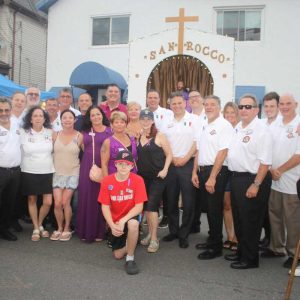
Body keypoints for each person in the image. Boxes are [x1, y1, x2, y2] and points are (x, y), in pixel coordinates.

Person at [226, 94, 272, 269]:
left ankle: (250, 259)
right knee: (239, 219)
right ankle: (241, 252)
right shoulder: (239, 126)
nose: (243, 110)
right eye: (241, 107)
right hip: (237, 177)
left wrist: (256, 184)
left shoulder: (262, 130)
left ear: (256, 109)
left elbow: (265, 161)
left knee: (250, 221)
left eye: (248, 107)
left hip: (253, 179)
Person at [261, 93, 300, 270]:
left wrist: (280, 170)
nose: (284, 107)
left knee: (292, 219)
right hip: (274, 179)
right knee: (274, 214)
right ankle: (276, 248)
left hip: (292, 180)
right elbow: (267, 148)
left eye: (288, 103)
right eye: (282, 104)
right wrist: (271, 170)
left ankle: (295, 254)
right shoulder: (275, 124)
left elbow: (298, 155)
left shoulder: (298, 124)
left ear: (295, 104)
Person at [192, 96, 233, 260]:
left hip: (216, 171)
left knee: (215, 209)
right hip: (203, 170)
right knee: (208, 208)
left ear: (219, 107)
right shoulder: (204, 125)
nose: (209, 107)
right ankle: (212, 239)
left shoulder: (224, 125)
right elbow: (198, 151)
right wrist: (195, 172)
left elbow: (223, 152)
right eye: (206, 105)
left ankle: (216, 247)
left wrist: (212, 177)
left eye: (212, 105)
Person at [98, 150, 148, 275]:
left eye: (127, 164)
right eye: (120, 163)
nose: (123, 167)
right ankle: (131, 243)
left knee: (133, 224)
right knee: (117, 255)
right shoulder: (107, 181)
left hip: (129, 217)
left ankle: (130, 258)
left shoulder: (138, 180)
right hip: (115, 220)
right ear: (115, 164)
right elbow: (105, 206)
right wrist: (112, 224)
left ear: (132, 166)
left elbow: (139, 207)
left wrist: (123, 221)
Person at [162, 91, 199, 248]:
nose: (177, 106)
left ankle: (184, 234)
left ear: (185, 103)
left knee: (189, 201)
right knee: (170, 200)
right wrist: (172, 157)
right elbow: (163, 142)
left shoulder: (195, 120)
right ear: (170, 105)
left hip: (188, 163)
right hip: (171, 164)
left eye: (179, 103)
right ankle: (173, 231)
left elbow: (197, 142)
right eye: (173, 103)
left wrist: (184, 158)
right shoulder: (166, 121)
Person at [137, 109, 172, 253]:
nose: (145, 121)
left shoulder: (160, 135)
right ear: (140, 120)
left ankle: (154, 239)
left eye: (148, 119)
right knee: (147, 208)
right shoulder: (138, 136)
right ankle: (150, 233)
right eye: (143, 118)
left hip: (158, 177)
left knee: (151, 207)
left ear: (152, 121)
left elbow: (169, 154)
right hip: (142, 178)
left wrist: (165, 170)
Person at [76, 106, 112, 242]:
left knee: (102, 198)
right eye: (93, 115)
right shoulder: (84, 132)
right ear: (89, 118)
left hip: (104, 167)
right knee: (87, 197)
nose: (96, 117)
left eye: (98, 114)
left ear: (102, 115)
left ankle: (100, 231)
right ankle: (86, 231)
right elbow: (82, 148)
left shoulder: (110, 131)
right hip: (87, 167)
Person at [20, 106, 55, 241]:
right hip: (29, 171)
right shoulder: (23, 132)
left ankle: (40, 223)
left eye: (41, 115)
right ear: (30, 118)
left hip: (47, 171)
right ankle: (36, 228)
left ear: (45, 118)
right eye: (35, 115)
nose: (38, 118)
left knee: (47, 202)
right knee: (32, 200)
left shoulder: (51, 132)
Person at [50, 110, 83, 241]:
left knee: (65, 202)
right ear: (61, 120)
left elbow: (89, 152)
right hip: (57, 173)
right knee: (57, 203)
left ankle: (67, 228)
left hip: (73, 173)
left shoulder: (80, 136)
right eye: (65, 117)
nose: (67, 120)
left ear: (75, 120)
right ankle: (59, 227)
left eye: (70, 117)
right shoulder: (55, 134)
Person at [146, 89, 174, 228]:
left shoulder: (168, 113)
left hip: (165, 149)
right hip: (151, 152)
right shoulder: (144, 113)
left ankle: (167, 216)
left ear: (159, 99)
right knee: (151, 187)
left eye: (154, 97)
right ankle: (152, 214)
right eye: (149, 97)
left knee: (166, 189)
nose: (152, 100)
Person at [259, 91, 281, 249]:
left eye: (272, 106)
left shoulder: (285, 123)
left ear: (278, 106)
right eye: (266, 106)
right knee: (265, 209)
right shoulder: (260, 123)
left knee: (278, 212)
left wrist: (274, 169)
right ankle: (268, 238)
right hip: (263, 172)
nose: (268, 109)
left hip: (280, 174)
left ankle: (276, 244)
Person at [0, 98, 21, 241]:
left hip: (15, 171)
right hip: (1, 171)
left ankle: (5, 228)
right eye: (0, 110)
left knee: (10, 202)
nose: (4, 113)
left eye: (6, 110)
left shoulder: (16, 123)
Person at [189, 90, 207, 234]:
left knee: (203, 197)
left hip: (205, 160)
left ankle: (198, 223)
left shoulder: (209, 116)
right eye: (191, 98)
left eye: (196, 96)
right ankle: (193, 223)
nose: (194, 99)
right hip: (191, 161)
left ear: (202, 99)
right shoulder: (187, 117)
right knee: (192, 195)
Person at [222, 102, 239, 250]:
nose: (229, 115)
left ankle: (238, 237)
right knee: (227, 205)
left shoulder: (242, 129)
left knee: (239, 206)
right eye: (227, 112)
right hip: (225, 171)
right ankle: (230, 236)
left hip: (239, 172)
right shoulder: (222, 129)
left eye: (232, 112)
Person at [101, 111, 138, 177]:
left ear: (126, 124)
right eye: (116, 122)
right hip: (115, 178)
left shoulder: (132, 138)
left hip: (132, 176)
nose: (119, 124)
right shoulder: (108, 142)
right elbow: (104, 164)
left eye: (122, 122)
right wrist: (107, 181)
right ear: (111, 125)